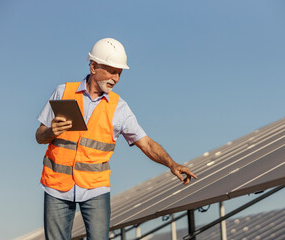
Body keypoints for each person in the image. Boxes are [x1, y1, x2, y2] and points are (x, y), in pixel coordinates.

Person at [35, 38, 197, 240]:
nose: (116, 78)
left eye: (119, 73)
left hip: (95, 189)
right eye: (112, 71)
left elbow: (145, 142)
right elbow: (39, 136)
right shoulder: (63, 92)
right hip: (57, 187)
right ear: (94, 67)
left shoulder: (119, 108)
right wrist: (51, 130)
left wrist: (172, 164)